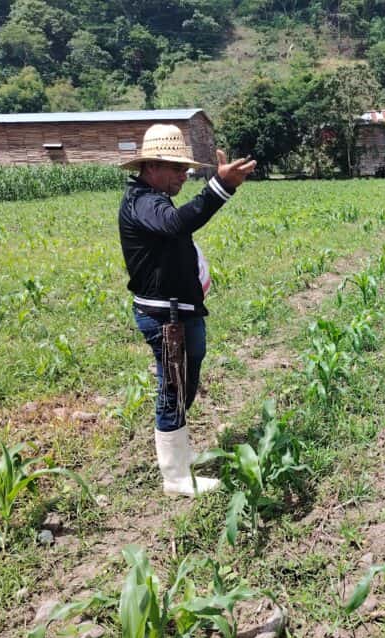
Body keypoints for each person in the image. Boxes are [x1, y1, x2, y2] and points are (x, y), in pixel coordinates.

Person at [119, 123, 256, 496]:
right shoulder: (143, 202)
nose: (184, 175)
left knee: (185, 381)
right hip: (165, 317)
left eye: (185, 168)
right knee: (174, 386)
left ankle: (179, 451)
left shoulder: (154, 198)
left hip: (181, 311)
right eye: (177, 168)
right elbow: (177, 224)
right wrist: (220, 187)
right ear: (151, 166)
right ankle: (175, 476)